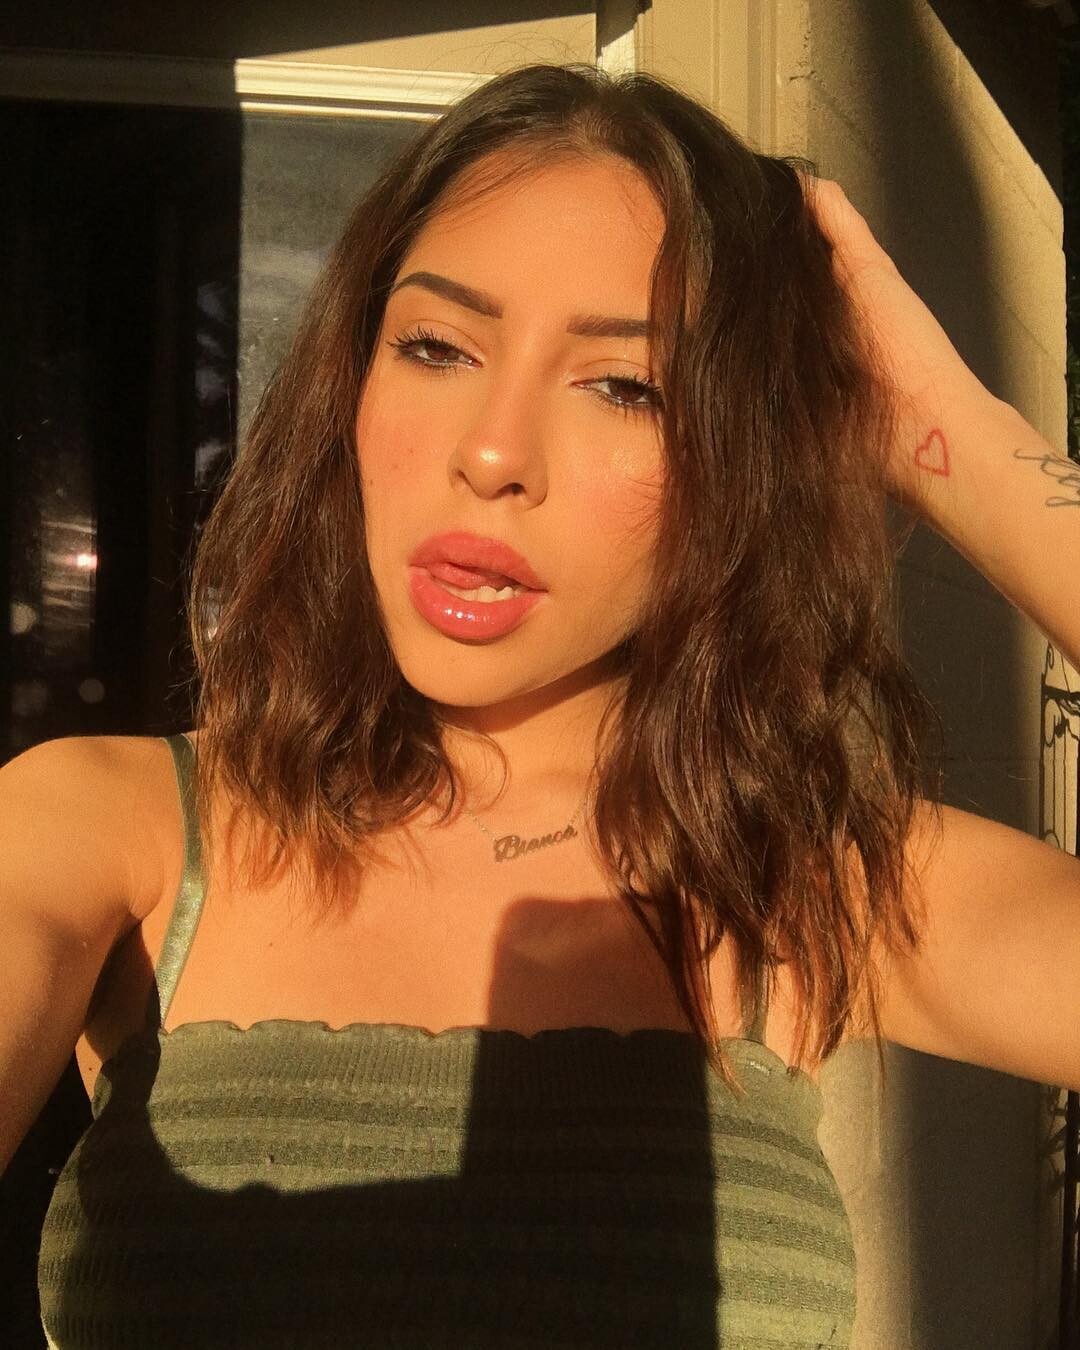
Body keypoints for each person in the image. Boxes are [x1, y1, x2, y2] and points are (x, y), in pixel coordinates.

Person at [3, 60, 1079, 1349]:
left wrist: (946, 434)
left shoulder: (804, 878)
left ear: (740, 455)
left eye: (628, 386)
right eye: (435, 347)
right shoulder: (105, 830)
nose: (494, 453)